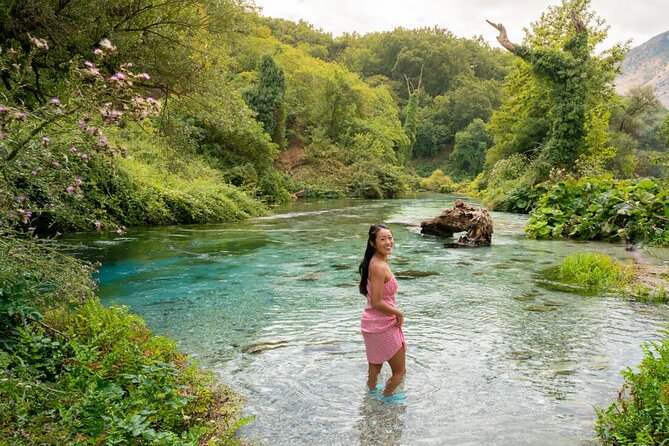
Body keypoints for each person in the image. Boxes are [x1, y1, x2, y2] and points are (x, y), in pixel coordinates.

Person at [358, 224, 406, 400]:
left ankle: (369, 403)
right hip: (382, 325)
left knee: (375, 370)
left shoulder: (375, 262)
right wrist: (398, 313)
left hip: (372, 324)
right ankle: (385, 401)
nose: (388, 242)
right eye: (382, 239)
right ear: (372, 243)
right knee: (399, 372)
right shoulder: (378, 266)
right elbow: (377, 302)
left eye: (390, 237)